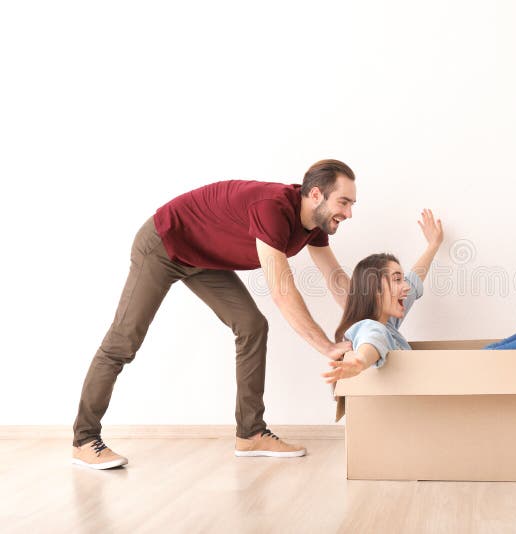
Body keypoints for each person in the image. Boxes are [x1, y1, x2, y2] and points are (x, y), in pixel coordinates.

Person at [73, 159, 357, 470]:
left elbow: (335, 277)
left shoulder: (312, 225)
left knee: (251, 325)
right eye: (343, 202)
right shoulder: (273, 209)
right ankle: (84, 440)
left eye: (352, 203)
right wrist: (327, 347)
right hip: (162, 244)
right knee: (124, 339)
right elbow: (282, 290)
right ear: (316, 195)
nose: (349, 213)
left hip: (202, 258)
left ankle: (251, 434)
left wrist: (368, 322)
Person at [322, 209, 516, 384]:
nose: (406, 287)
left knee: (499, 347)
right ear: (375, 290)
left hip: (454, 380)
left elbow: (414, 279)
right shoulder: (373, 330)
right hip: (452, 388)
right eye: (396, 280)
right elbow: (369, 348)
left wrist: (433, 245)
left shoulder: (386, 324)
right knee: (495, 353)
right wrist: (359, 363)